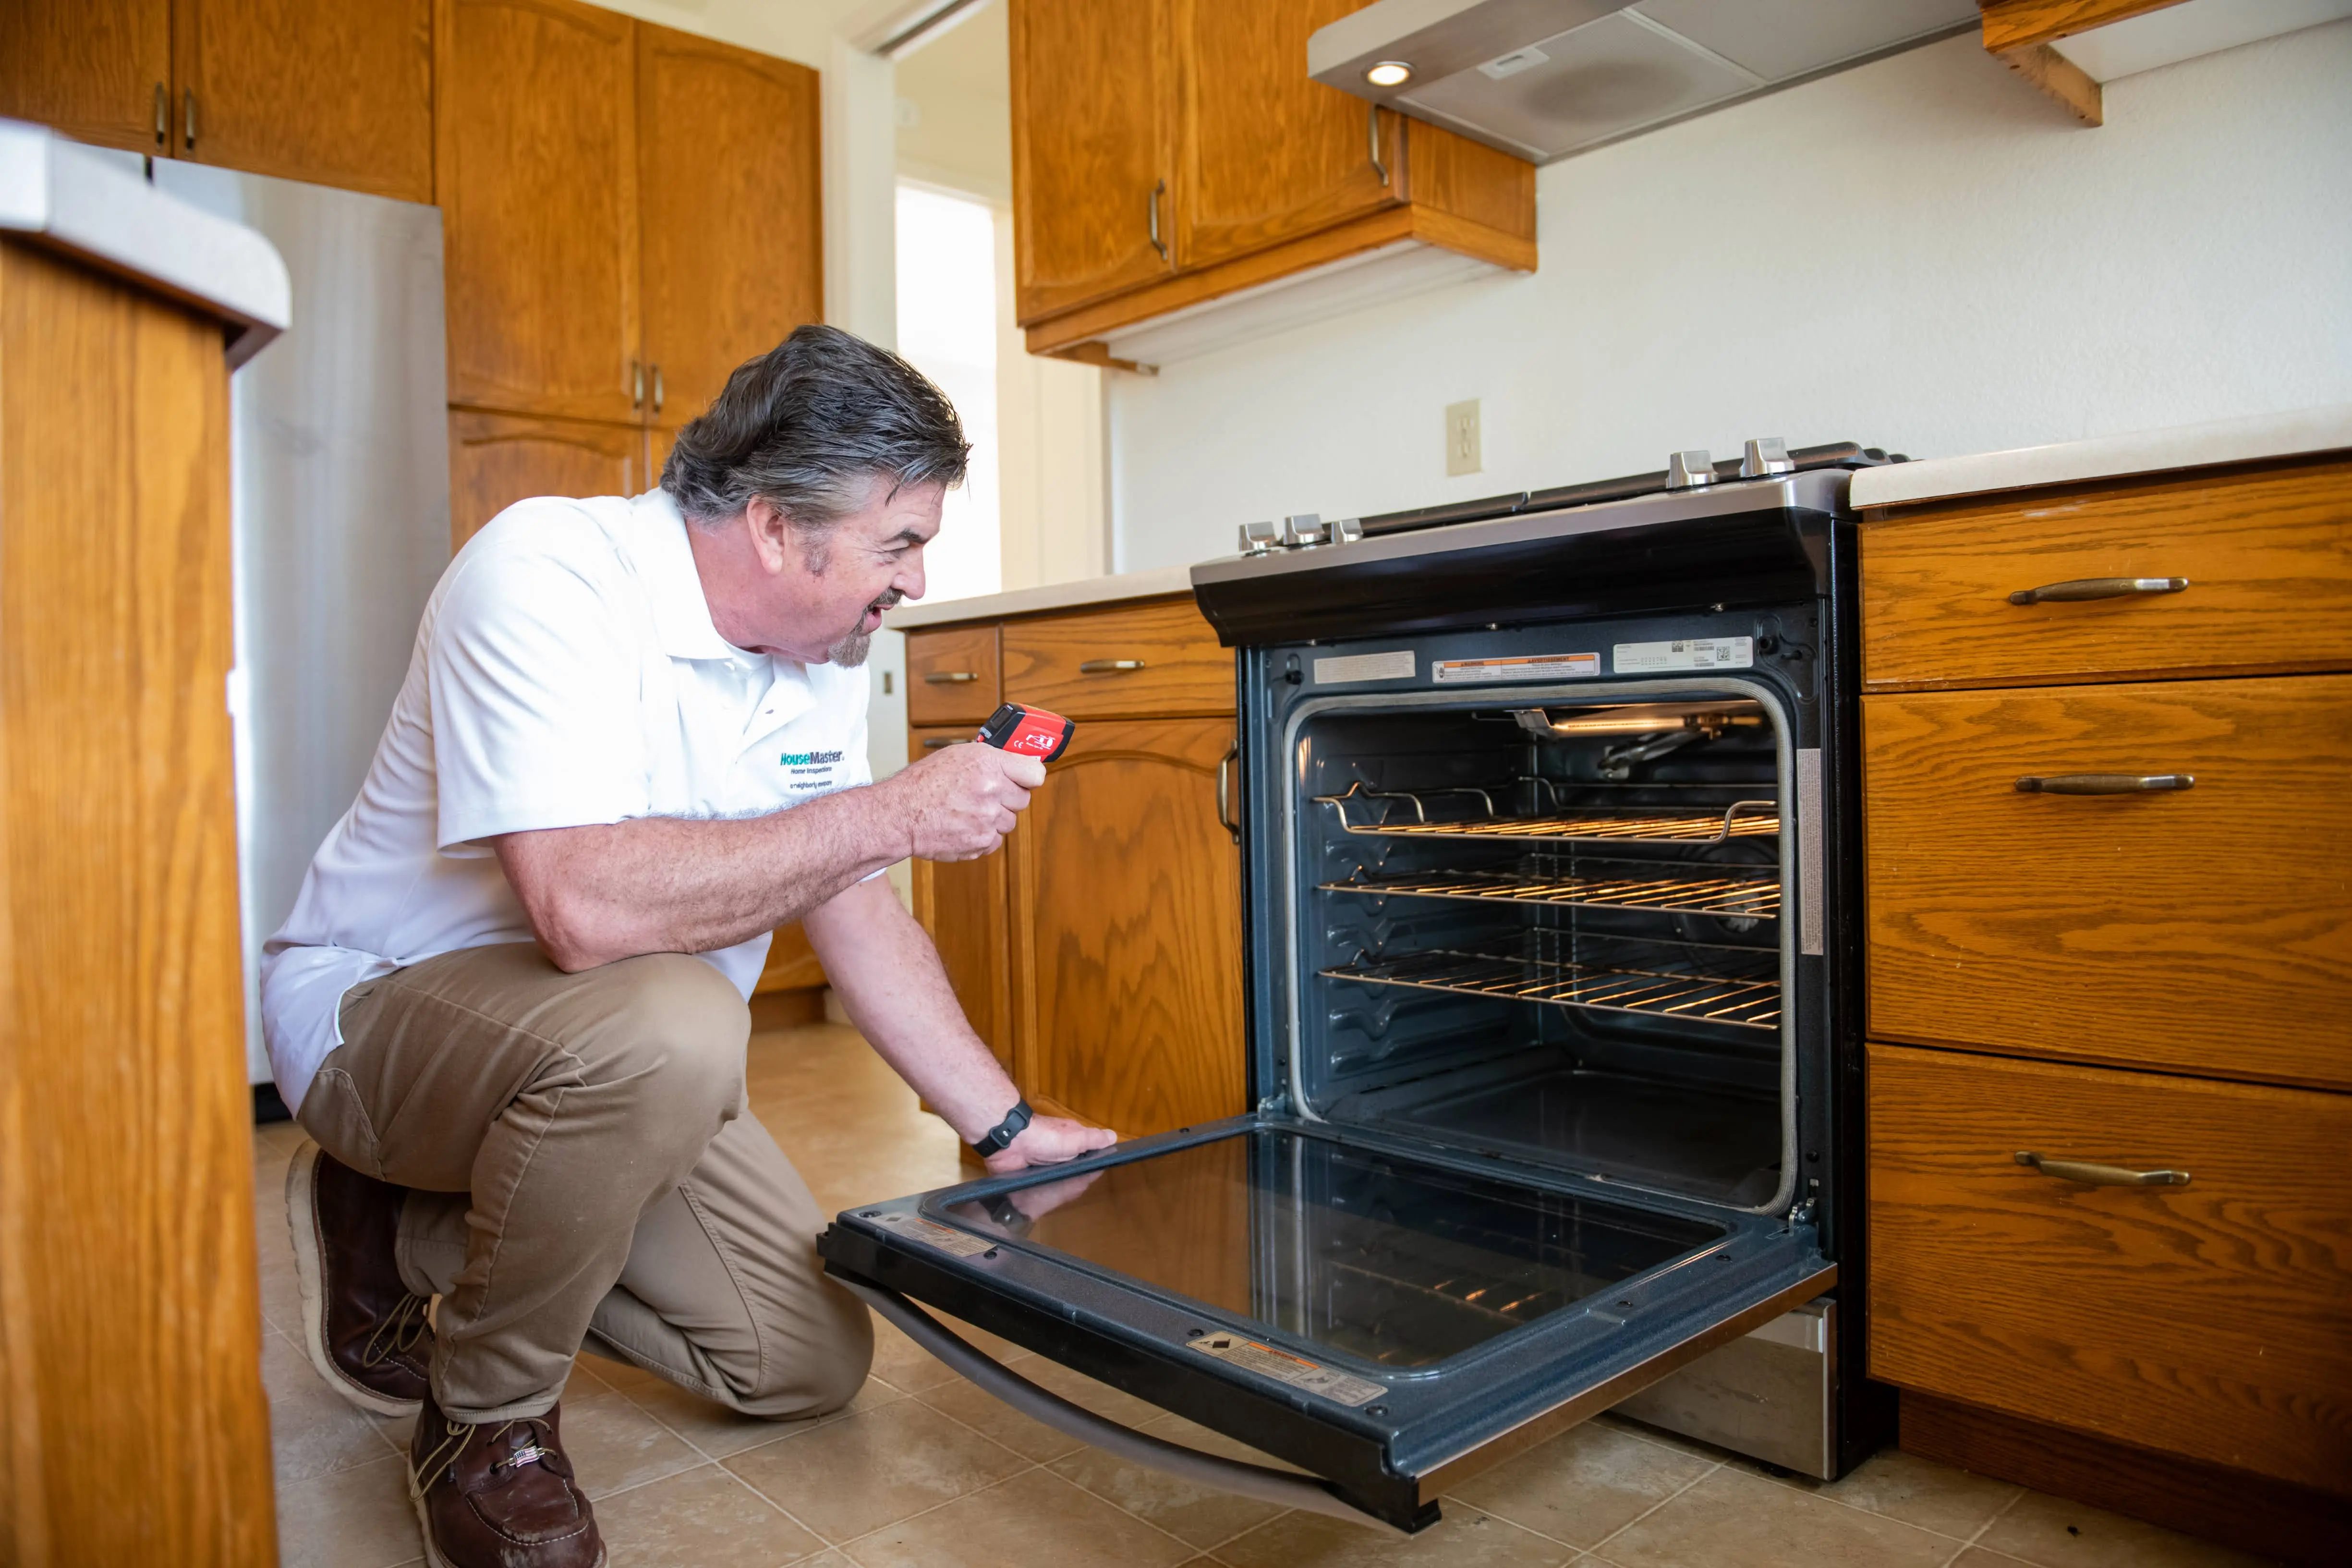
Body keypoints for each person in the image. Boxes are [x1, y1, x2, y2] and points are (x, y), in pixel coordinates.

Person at [261, 325, 1115, 1568]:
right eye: (902, 544)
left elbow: (857, 904)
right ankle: (485, 1422)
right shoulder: (549, 573)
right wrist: (893, 810)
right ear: (776, 526)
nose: (917, 583)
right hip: (382, 1018)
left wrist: (1003, 1128)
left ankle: (406, 1231)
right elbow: (584, 912)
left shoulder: (814, 655)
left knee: (802, 1361)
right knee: (675, 1023)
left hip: (623, 1061)